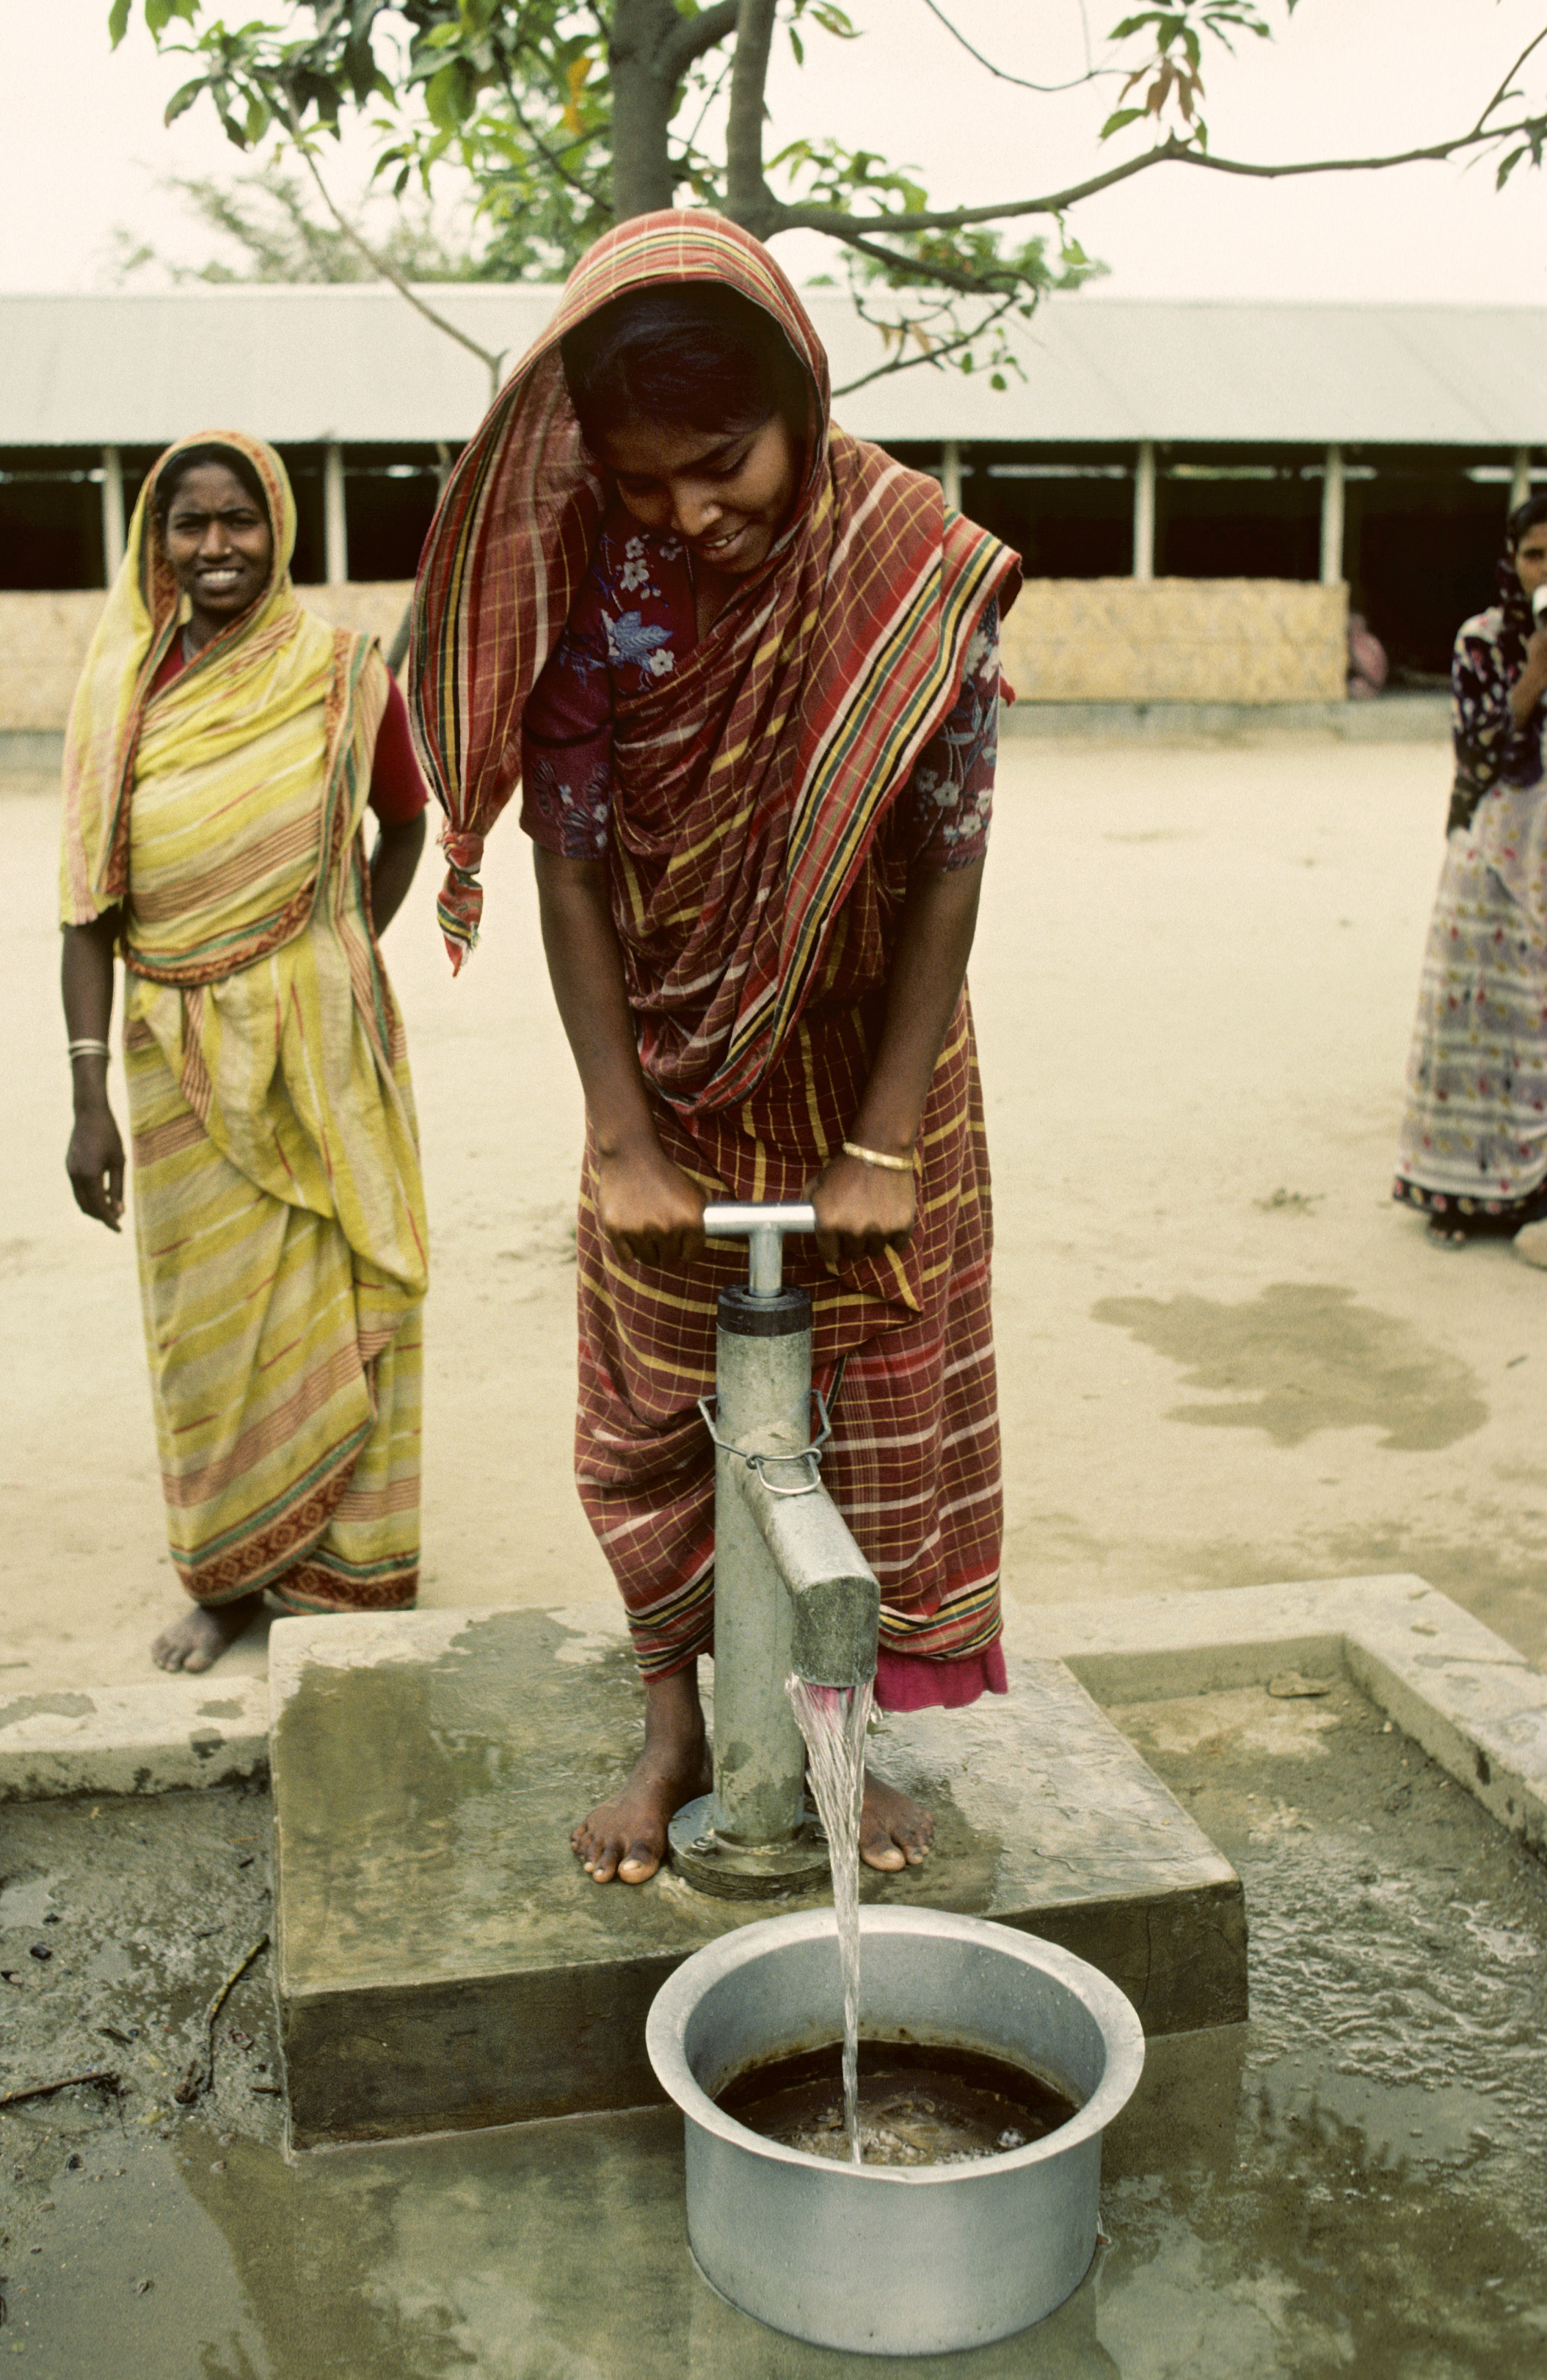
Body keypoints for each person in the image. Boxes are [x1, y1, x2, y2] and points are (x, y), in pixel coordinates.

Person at [411, 211, 1020, 1882]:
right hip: (669, 1066)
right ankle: (675, 1721)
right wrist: (619, 1131)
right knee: (651, 1418)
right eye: (641, 478)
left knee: (877, 1400)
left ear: (802, 393)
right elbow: (577, 857)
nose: (690, 510)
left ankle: (842, 1741)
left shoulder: (912, 561)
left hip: (872, 1063)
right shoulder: (595, 580)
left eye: (722, 460)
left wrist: (884, 1140)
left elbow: (951, 853)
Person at [60, 431, 430, 1673]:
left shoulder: (338, 674)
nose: (215, 546)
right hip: (172, 1062)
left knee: (335, 1284)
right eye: (189, 524)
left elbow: (403, 821)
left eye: (239, 520)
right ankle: (226, 1579)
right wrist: (86, 1093)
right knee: (205, 1323)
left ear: (278, 528)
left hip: (324, 1049)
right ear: (155, 542)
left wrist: (335, 949)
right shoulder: (120, 693)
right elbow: (87, 908)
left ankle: (347, 1572)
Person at [1394, 494, 1547, 1253]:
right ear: (1510, 561)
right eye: (1534, 556)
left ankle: (1534, 1191)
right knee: (1476, 1014)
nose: (1543, 572)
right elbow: (1480, 748)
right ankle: (1458, 1193)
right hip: (1491, 851)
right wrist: (1539, 665)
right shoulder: (1480, 641)